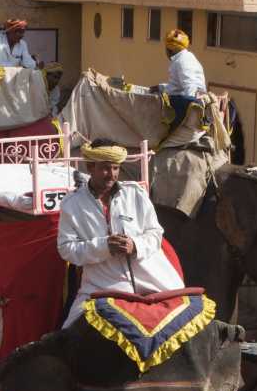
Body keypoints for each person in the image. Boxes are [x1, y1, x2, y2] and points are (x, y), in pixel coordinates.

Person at [57, 139, 185, 326]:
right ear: (90, 167)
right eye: (106, 169)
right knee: (68, 333)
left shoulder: (135, 194)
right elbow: (66, 249)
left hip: (154, 281)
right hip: (100, 286)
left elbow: (155, 233)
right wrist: (104, 246)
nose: (112, 175)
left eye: (116, 168)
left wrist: (135, 245)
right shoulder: (72, 204)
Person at [156, 29, 206, 98]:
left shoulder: (182, 61)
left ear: (169, 49)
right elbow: (176, 87)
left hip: (187, 102)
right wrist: (160, 87)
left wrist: (190, 104)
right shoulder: (187, 57)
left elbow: (191, 86)